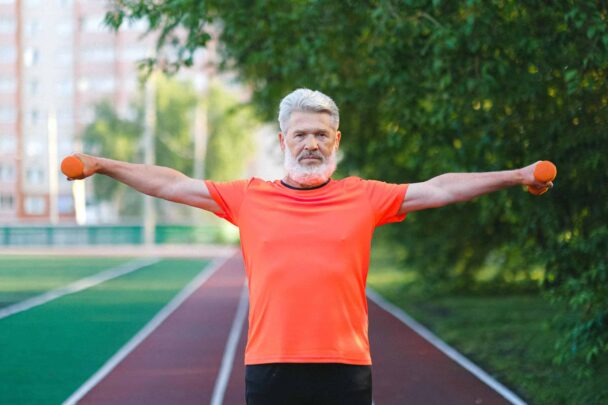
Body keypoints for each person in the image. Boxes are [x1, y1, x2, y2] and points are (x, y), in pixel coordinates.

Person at [68, 88, 553, 404]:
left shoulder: (364, 196)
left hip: (345, 367)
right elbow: (171, 184)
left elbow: (440, 188)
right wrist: (103, 164)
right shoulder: (247, 198)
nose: (311, 144)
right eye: (301, 134)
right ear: (284, 139)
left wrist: (517, 176)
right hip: (271, 367)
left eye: (321, 135)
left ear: (336, 140)